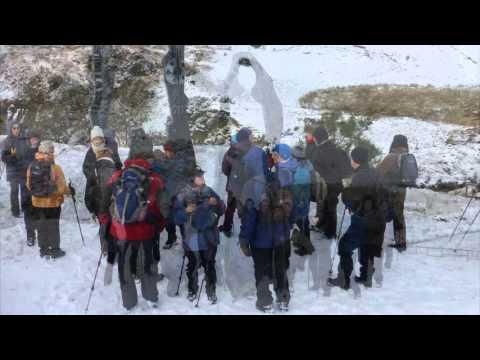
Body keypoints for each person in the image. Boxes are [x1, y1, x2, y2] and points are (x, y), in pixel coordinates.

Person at [98, 133, 169, 310]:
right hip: (145, 234)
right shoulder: (156, 180)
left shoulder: (117, 177)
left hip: (120, 234)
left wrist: (109, 224)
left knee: (125, 269)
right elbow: (164, 210)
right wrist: (157, 227)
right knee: (147, 266)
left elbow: (103, 205)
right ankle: (151, 297)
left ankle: (129, 303)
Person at [240, 143, 294, 313]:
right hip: (280, 237)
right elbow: (293, 210)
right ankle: (284, 300)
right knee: (280, 269)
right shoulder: (285, 179)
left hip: (260, 239)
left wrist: (244, 239)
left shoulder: (253, 185)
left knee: (262, 270)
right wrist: (287, 229)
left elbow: (250, 216)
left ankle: (265, 302)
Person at [328, 147, 386, 289]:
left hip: (363, 220)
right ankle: (366, 277)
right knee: (367, 245)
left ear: (357, 160)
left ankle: (343, 280)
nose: (351, 161)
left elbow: (353, 200)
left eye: (352, 159)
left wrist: (345, 193)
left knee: (344, 245)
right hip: (378, 219)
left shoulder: (360, 177)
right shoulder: (375, 172)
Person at [174, 168, 225, 304]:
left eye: (202, 175)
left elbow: (222, 209)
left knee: (210, 263)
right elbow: (176, 217)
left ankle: (211, 289)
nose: (202, 178)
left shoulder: (209, 191)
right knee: (192, 264)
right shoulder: (183, 194)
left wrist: (218, 203)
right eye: (199, 176)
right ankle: (192, 289)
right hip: (193, 237)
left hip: (209, 235)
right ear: (192, 179)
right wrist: (185, 211)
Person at [26, 141, 71, 259]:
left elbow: (28, 185)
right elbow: (61, 188)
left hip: (37, 203)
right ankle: (55, 250)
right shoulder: (56, 168)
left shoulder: (31, 166)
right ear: (51, 152)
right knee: (53, 226)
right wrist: (69, 191)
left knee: (41, 227)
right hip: (53, 203)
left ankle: (44, 250)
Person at [306, 126, 352, 239]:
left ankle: (330, 232)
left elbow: (313, 170)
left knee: (327, 206)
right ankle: (323, 226)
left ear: (316, 139)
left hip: (323, 185)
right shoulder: (339, 151)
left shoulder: (318, 153)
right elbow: (347, 171)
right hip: (337, 185)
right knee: (329, 206)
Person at [376, 134, 410, 252]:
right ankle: (401, 242)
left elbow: (378, 172)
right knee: (399, 216)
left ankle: (377, 241)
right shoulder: (408, 156)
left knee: (381, 215)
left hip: (389, 192)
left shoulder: (392, 156)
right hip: (401, 191)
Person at [83, 126, 122, 218]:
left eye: (99, 139)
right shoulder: (90, 153)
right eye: (94, 140)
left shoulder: (110, 151)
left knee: (108, 222)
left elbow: (118, 166)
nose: (97, 143)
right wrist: (93, 175)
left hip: (109, 193)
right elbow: (86, 168)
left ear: (103, 139)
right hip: (96, 192)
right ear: (91, 141)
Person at [1, 122, 29, 218]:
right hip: (12, 170)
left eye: (18, 128)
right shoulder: (7, 141)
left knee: (24, 190)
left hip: (23, 169)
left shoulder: (25, 140)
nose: (16, 130)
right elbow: (3, 157)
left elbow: (29, 154)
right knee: (14, 191)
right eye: (14, 128)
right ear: (11, 129)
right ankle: (15, 211)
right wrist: (11, 157)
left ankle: (25, 209)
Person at [218, 134, 240, 238]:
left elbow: (224, 169)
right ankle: (248, 232)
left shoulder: (229, 153)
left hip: (233, 185)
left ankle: (227, 227)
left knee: (231, 207)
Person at [23, 129, 42, 246]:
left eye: (36, 138)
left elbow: (51, 167)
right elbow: (19, 166)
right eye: (32, 138)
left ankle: (40, 233)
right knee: (28, 210)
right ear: (29, 139)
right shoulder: (24, 151)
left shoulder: (42, 151)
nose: (34, 140)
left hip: (40, 186)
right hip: (26, 186)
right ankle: (30, 235)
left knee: (39, 210)